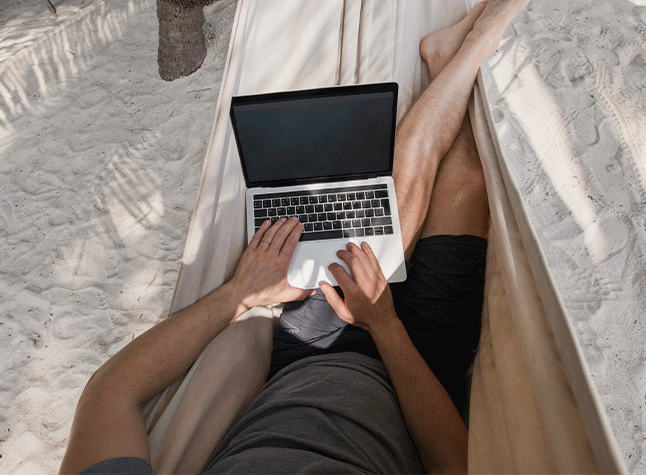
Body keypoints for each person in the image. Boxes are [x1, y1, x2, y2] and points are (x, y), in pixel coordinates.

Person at [60, 0, 529, 473]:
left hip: (310, 352)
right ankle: (455, 57)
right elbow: (454, 463)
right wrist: (385, 328)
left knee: (387, 201)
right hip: (418, 379)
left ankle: (460, 53)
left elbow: (112, 391)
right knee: (466, 177)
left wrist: (238, 295)